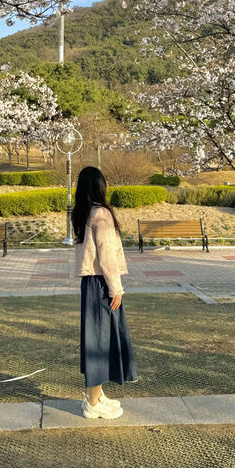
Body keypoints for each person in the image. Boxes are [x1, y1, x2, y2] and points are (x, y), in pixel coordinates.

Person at [73, 165, 137, 419]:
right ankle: (92, 402)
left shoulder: (84, 212)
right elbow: (107, 256)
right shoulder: (102, 214)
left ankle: (95, 396)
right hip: (102, 284)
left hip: (91, 284)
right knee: (100, 342)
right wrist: (116, 289)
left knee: (96, 339)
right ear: (99, 186)